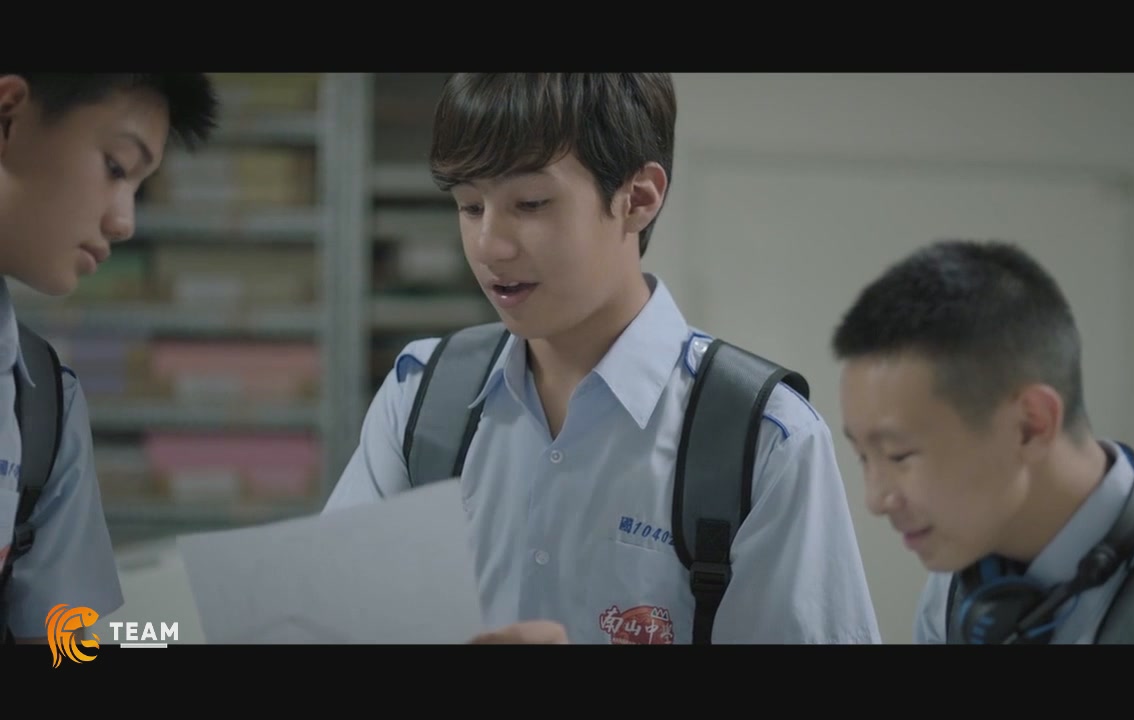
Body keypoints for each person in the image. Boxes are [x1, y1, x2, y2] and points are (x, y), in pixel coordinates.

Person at [324, 73, 881, 645]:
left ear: (638, 198)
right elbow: (329, 621)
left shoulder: (765, 440)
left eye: (531, 203)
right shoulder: (419, 399)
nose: (489, 244)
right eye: (469, 206)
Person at [830, 238, 1134, 644]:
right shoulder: (961, 581)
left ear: (1031, 425)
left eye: (899, 455)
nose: (876, 500)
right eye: (862, 457)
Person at [0, 73, 218, 643]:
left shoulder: (42, 407)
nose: (124, 222)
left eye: (139, 186)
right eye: (117, 167)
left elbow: (63, 645)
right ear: (8, 116)